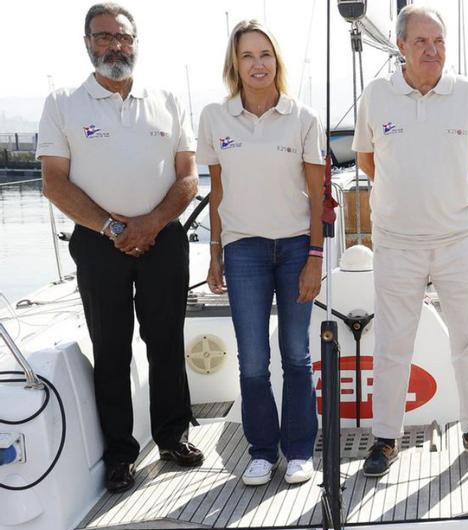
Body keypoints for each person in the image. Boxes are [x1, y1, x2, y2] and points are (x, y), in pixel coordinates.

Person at [37, 2, 203, 494]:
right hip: (98, 242)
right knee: (111, 348)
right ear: (88, 43)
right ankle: (119, 454)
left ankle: (173, 436)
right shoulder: (63, 102)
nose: (114, 45)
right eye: (103, 36)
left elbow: (188, 176)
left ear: (136, 42)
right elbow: (53, 182)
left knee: (167, 341)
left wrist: (151, 223)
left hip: (164, 237)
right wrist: (114, 229)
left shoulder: (167, 98)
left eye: (123, 37)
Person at [352, 4, 468, 475]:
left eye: (438, 41)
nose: (432, 50)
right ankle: (385, 440)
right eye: (421, 42)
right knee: (394, 345)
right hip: (397, 243)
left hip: (459, 239)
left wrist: (444, 201)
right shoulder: (377, 95)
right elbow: (366, 160)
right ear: (400, 46)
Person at [198, 19, 325, 486]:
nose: (258, 64)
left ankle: (298, 452)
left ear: (277, 62)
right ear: (235, 64)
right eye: (248, 56)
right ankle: (261, 451)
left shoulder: (302, 117)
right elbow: (216, 193)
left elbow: (318, 196)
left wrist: (315, 256)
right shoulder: (214, 117)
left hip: (295, 247)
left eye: (265, 55)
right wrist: (214, 252)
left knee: (296, 353)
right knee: (252, 359)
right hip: (242, 250)